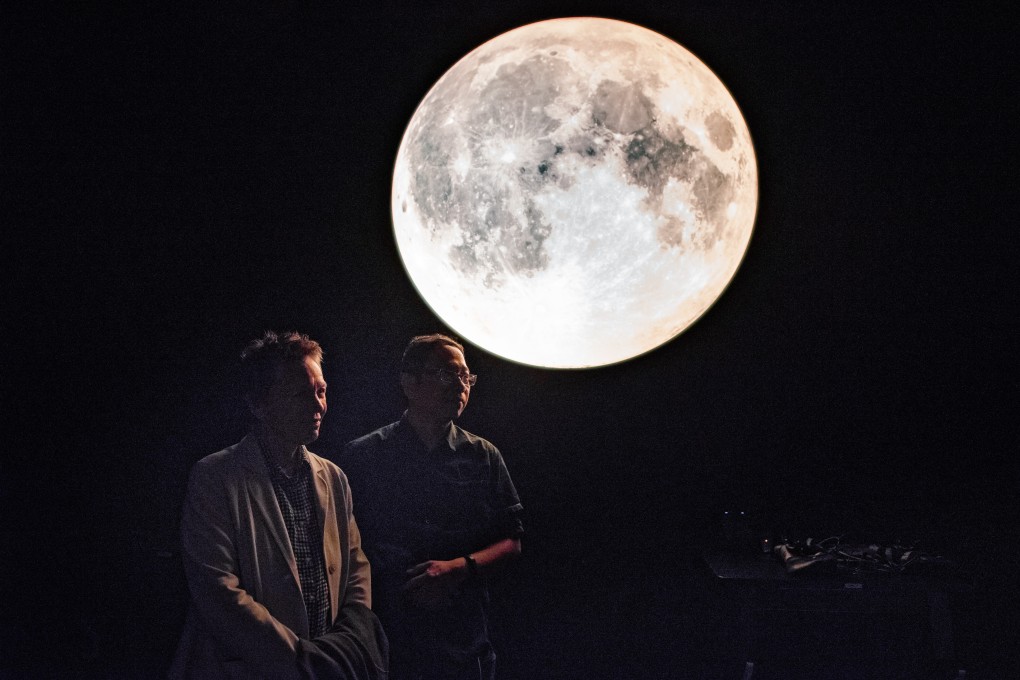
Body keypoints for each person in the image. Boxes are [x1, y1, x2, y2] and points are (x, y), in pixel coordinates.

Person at [170, 331, 388, 680]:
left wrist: (348, 642)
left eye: (321, 391)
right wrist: (303, 661)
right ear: (259, 404)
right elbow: (218, 593)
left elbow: (355, 567)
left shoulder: (333, 477)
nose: (318, 405)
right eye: (302, 394)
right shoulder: (215, 477)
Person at [339, 334, 523, 680]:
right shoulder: (363, 456)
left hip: (465, 646)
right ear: (409, 382)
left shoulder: (483, 456)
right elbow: (341, 548)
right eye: (446, 374)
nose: (460, 386)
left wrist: (458, 568)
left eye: (466, 377)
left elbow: (511, 542)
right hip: (387, 643)